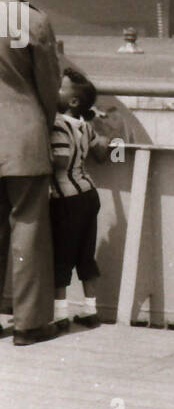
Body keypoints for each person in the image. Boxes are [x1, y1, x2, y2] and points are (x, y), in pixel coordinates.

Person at [0, 0, 62, 345]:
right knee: (27, 227)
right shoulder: (27, 20)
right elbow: (48, 87)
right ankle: (28, 324)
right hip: (20, 140)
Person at [49, 67, 109, 332]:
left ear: (72, 101)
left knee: (61, 255)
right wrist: (112, 138)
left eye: (59, 88)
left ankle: (60, 314)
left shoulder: (58, 124)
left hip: (66, 199)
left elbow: (60, 160)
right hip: (89, 195)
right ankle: (90, 311)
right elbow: (102, 155)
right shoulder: (86, 127)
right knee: (85, 254)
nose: (54, 91)